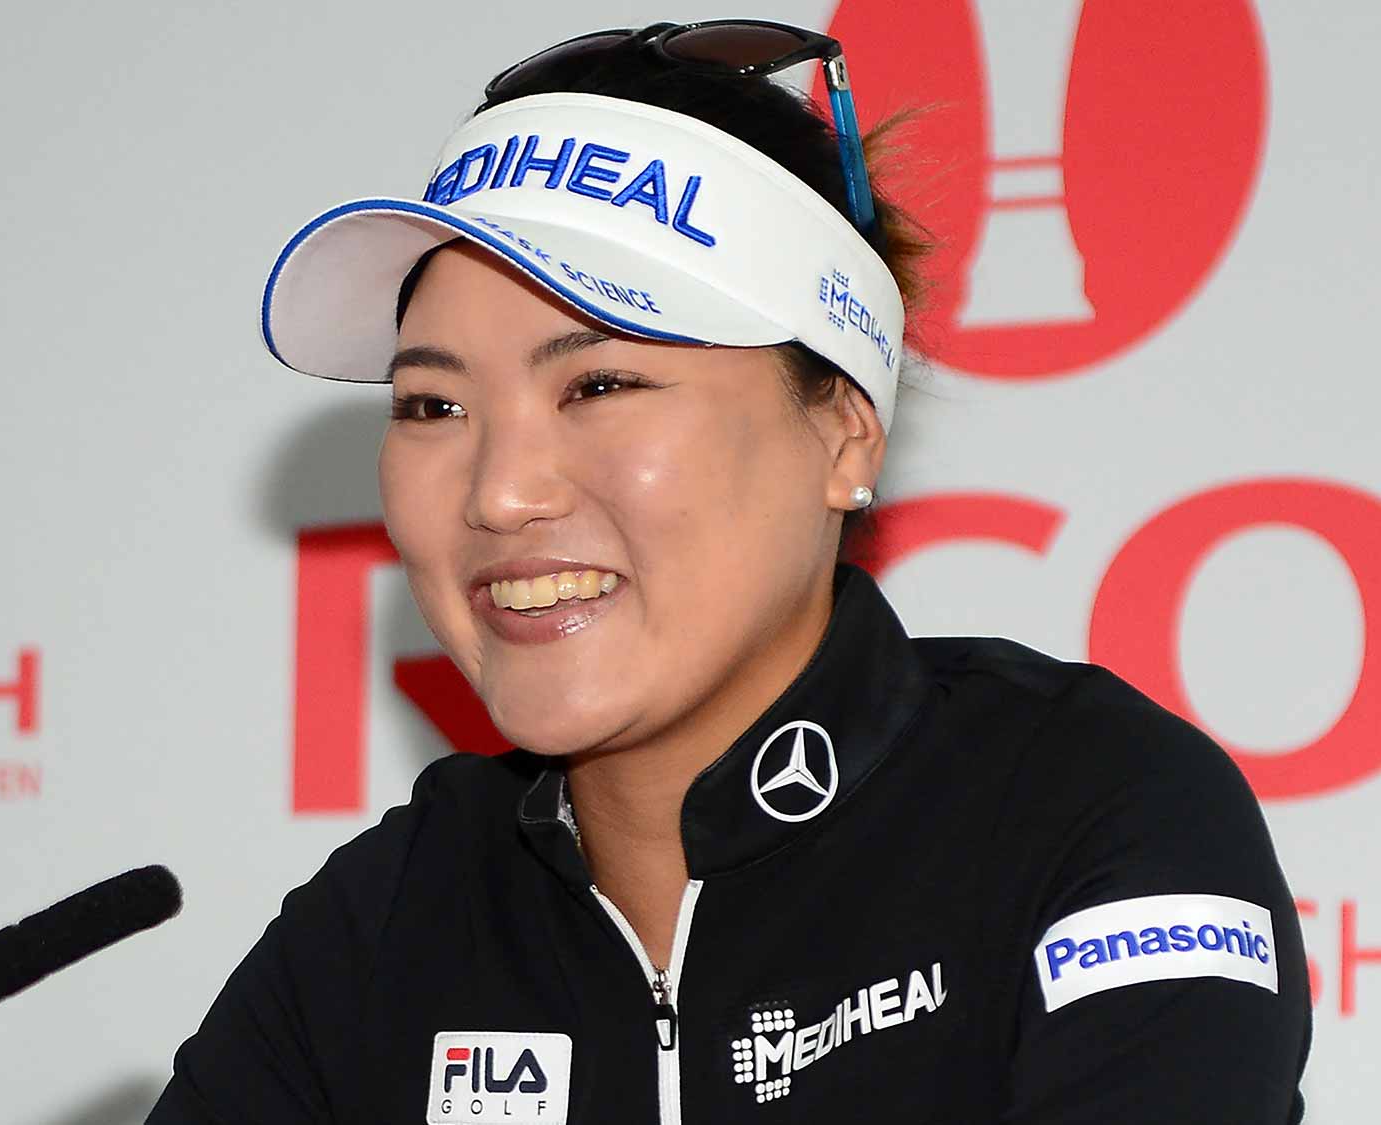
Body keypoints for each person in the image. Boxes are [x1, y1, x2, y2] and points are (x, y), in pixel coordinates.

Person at [149, 19, 1311, 1125]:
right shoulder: (383, 926)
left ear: (844, 432)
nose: (500, 492)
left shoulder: (1079, 805)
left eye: (598, 385)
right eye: (431, 405)